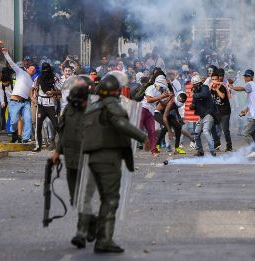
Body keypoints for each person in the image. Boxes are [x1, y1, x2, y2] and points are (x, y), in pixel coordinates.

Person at [81, 74, 149, 253]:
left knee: (105, 198)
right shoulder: (111, 104)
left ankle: (97, 229)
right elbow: (120, 123)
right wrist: (142, 136)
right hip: (108, 158)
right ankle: (104, 240)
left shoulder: (93, 107)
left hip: (93, 159)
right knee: (111, 200)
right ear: (114, 92)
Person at [51, 75, 96, 248]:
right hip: (71, 161)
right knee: (74, 199)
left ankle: (81, 233)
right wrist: (56, 152)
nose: (78, 103)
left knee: (83, 199)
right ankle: (93, 222)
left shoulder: (97, 111)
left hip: (89, 161)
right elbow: (62, 133)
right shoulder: (69, 110)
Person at [1, 46, 34, 143]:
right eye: (31, 68)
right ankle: (14, 133)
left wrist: (33, 99)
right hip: (14, 102)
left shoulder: (32, 81)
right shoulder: (21, 72)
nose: (32, 69)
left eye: (34, 69)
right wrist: (5, 53)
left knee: (28, 119)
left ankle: (25, 138)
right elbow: (11, 63)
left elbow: (30, 94)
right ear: (27, 69)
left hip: (25, 102)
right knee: (14, 121)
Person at [32, 62, 62, 152]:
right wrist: (33, 97)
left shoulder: (54, 78)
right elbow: (33, 88)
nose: (45, 72)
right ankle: (38, 146)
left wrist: (53, 93)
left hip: (51, 105)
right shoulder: (38, 78)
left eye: (47, 70)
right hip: (41, 105)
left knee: (56, 125)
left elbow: (61, 90)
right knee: (38, 126)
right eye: (44, 70)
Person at [232, 69, 255, 157]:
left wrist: (232, 87)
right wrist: (246, 110)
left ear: (252, 77)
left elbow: (241, 88)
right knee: (252, 133)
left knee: (245, 133)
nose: (246, 77)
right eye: (245, 76)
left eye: (248, 76)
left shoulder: (250, 84)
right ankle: (253, 151)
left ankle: (254, 151)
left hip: (254, 114)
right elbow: (254, 101)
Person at [191, 74, 218, 156]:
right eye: (194, 85)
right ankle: (200, 151)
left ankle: (212, 151)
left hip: (209, 115)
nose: (194, 86)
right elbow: (193, 104)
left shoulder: (205, 88)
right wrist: (191, 105)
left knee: (206, 131)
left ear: (199, 83)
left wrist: (194, 95)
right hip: (201, 117)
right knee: (196, 134)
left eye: (195, 84)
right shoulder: (196, 93)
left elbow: (204, 95)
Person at [142, 75, 169, 156]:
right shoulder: (151, 88)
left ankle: (154, 151)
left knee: (152, 131)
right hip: (143, 109)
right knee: (137, 129)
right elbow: (149, 100)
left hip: (150, 112)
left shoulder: (160, 91)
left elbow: (162, 103)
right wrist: (161, 96)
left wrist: (168, 97)